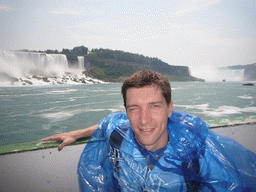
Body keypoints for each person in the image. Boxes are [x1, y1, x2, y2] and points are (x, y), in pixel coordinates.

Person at [42, 70, 256, 192]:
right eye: (134, 108)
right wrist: (76, 134)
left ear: (170, 108)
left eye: (154, 106)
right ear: (126, 111)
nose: (143, 120)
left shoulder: (195, 153)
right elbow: (105, 124)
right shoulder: (118, 135)